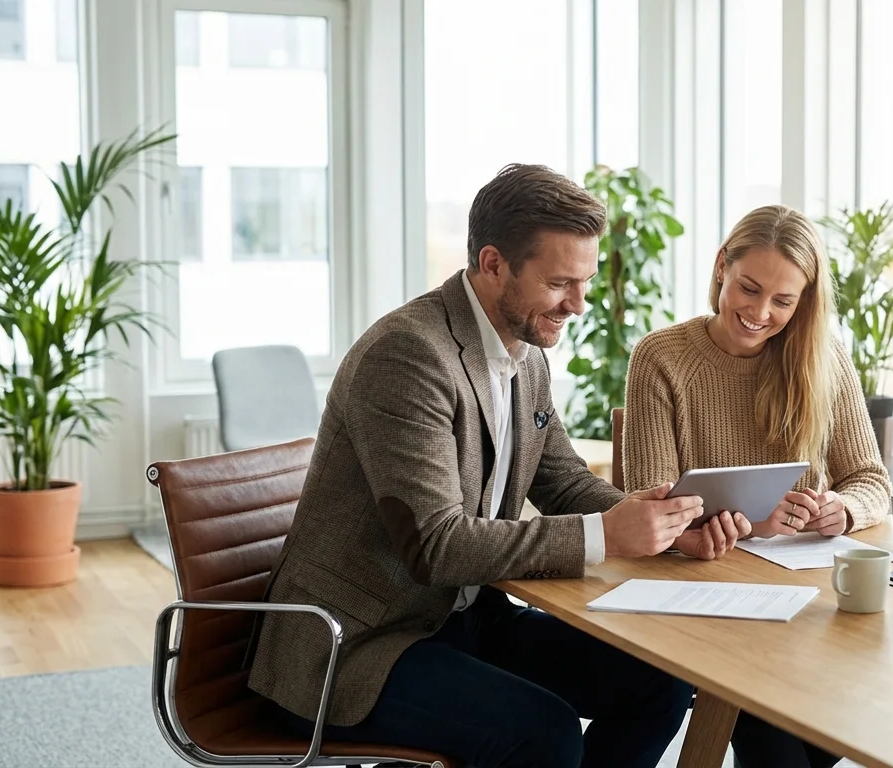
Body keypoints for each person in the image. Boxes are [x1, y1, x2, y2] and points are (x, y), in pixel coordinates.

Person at [247, 163, 705, 768]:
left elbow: (561, 479)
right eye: (561, 283)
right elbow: (435, 546)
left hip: (459, 619)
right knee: (543, 732)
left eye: (586, 281)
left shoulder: (525, 347)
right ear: (493, 264)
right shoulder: (408, 356)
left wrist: (655, 521)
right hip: (360, 642)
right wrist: (605, 535)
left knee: (660, 681)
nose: (579, 303)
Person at [622, 204, 893, 768]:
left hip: (810, 603)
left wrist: (841, 510)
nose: (760, 312)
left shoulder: (822, 359)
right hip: (713, 605)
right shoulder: (662, 357)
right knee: (782, 747)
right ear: (722, 266)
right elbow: (647, 505)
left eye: (783, 301)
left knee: (834, 734)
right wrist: (745, 523)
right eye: (748, 288)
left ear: (805, 303)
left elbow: (871, 481)